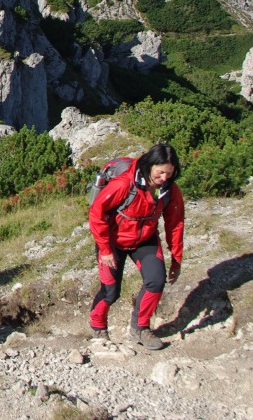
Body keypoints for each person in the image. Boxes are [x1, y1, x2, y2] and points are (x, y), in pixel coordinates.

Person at [88, 143, 185, 350]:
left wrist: (176, 259)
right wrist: (104, 249)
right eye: (160, 173)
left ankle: (140, 328)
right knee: (110, 291)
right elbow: (97, 213)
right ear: (150, 166)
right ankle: (97, 325)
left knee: (156, 281)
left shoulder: (169, 190)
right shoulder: (124, 184)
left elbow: (175, 223)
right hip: (114, 242)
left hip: (145, 240)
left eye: (170, 173)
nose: (165, 178)